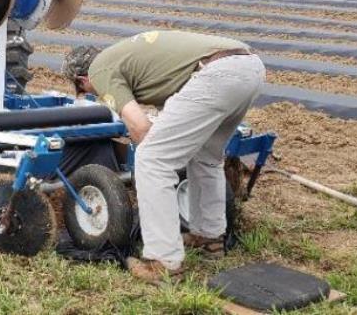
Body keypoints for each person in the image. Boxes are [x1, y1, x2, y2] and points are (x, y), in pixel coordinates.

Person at [62, 31, 265, 282]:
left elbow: (139, 127)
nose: (94, 93)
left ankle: (163, 261)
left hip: (217, 74)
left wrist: (149, 179)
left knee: (152, 160)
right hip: (250, 67)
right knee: (206, 157)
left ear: (82, 80)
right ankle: (209, 237)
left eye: (85, 90)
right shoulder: (131, 61)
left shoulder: (99, 71)